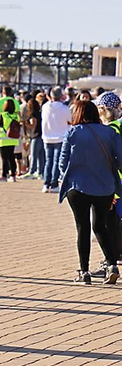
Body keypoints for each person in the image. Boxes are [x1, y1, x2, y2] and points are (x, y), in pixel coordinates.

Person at [55, 98, 122, 285]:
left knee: (82, 227)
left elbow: (62, 162)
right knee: (100, 226)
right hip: (105, 187)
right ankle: (112, 265)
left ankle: (84, 271)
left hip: (78, 186)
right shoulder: (110, 133)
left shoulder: (73, 133)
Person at [0, 84, 21, 182]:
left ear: (3, 92)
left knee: (4, 157)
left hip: (2, 137)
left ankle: (3, 174)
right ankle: (13, 175)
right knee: (11, 157)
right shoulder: (16, 103)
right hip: (13, 137)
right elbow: (19, 117)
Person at [42, 88, 72, 193]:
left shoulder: (45, 107)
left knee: (48, 161)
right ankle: (54, 184)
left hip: (47, 137)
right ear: (61, 96)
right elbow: (70, 120)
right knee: (56, 162)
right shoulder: (64, 108)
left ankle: (46, 184)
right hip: (60, 137)